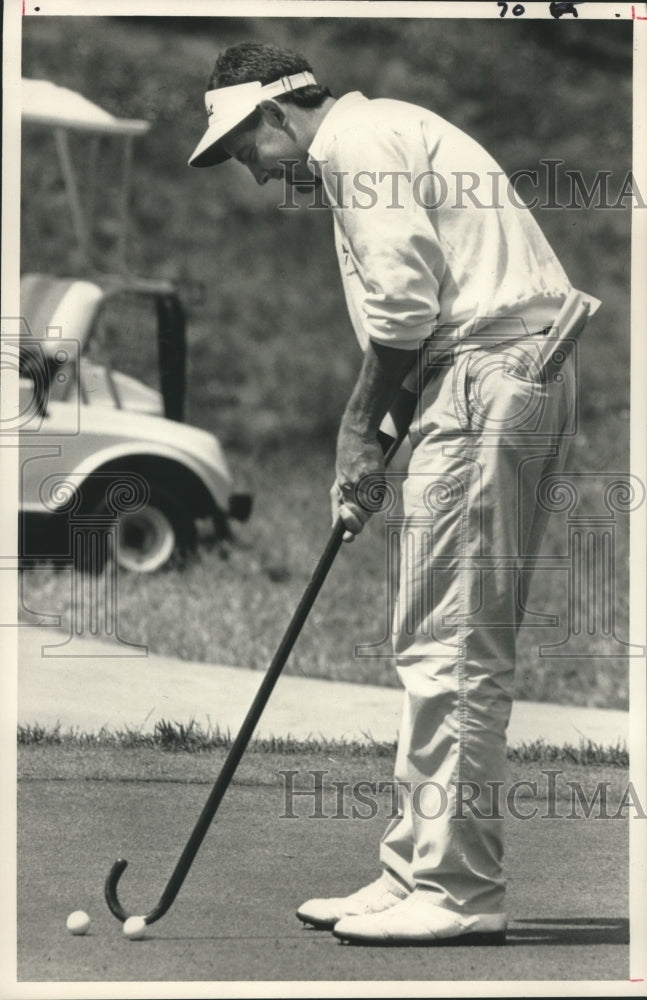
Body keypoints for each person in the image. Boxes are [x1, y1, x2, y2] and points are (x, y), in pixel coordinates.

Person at [189, 42, 597, 946]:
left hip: (490, 373)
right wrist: (379, 448)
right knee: (431, 642)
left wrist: (352, 431)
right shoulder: (379, 133)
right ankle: (413, 869)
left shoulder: (355, 145)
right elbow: (423, 319)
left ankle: (458, 889)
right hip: (482, 372)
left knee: (454, 647)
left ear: (276, 114)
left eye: (242, 149)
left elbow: (406, 311)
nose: (251, 175)